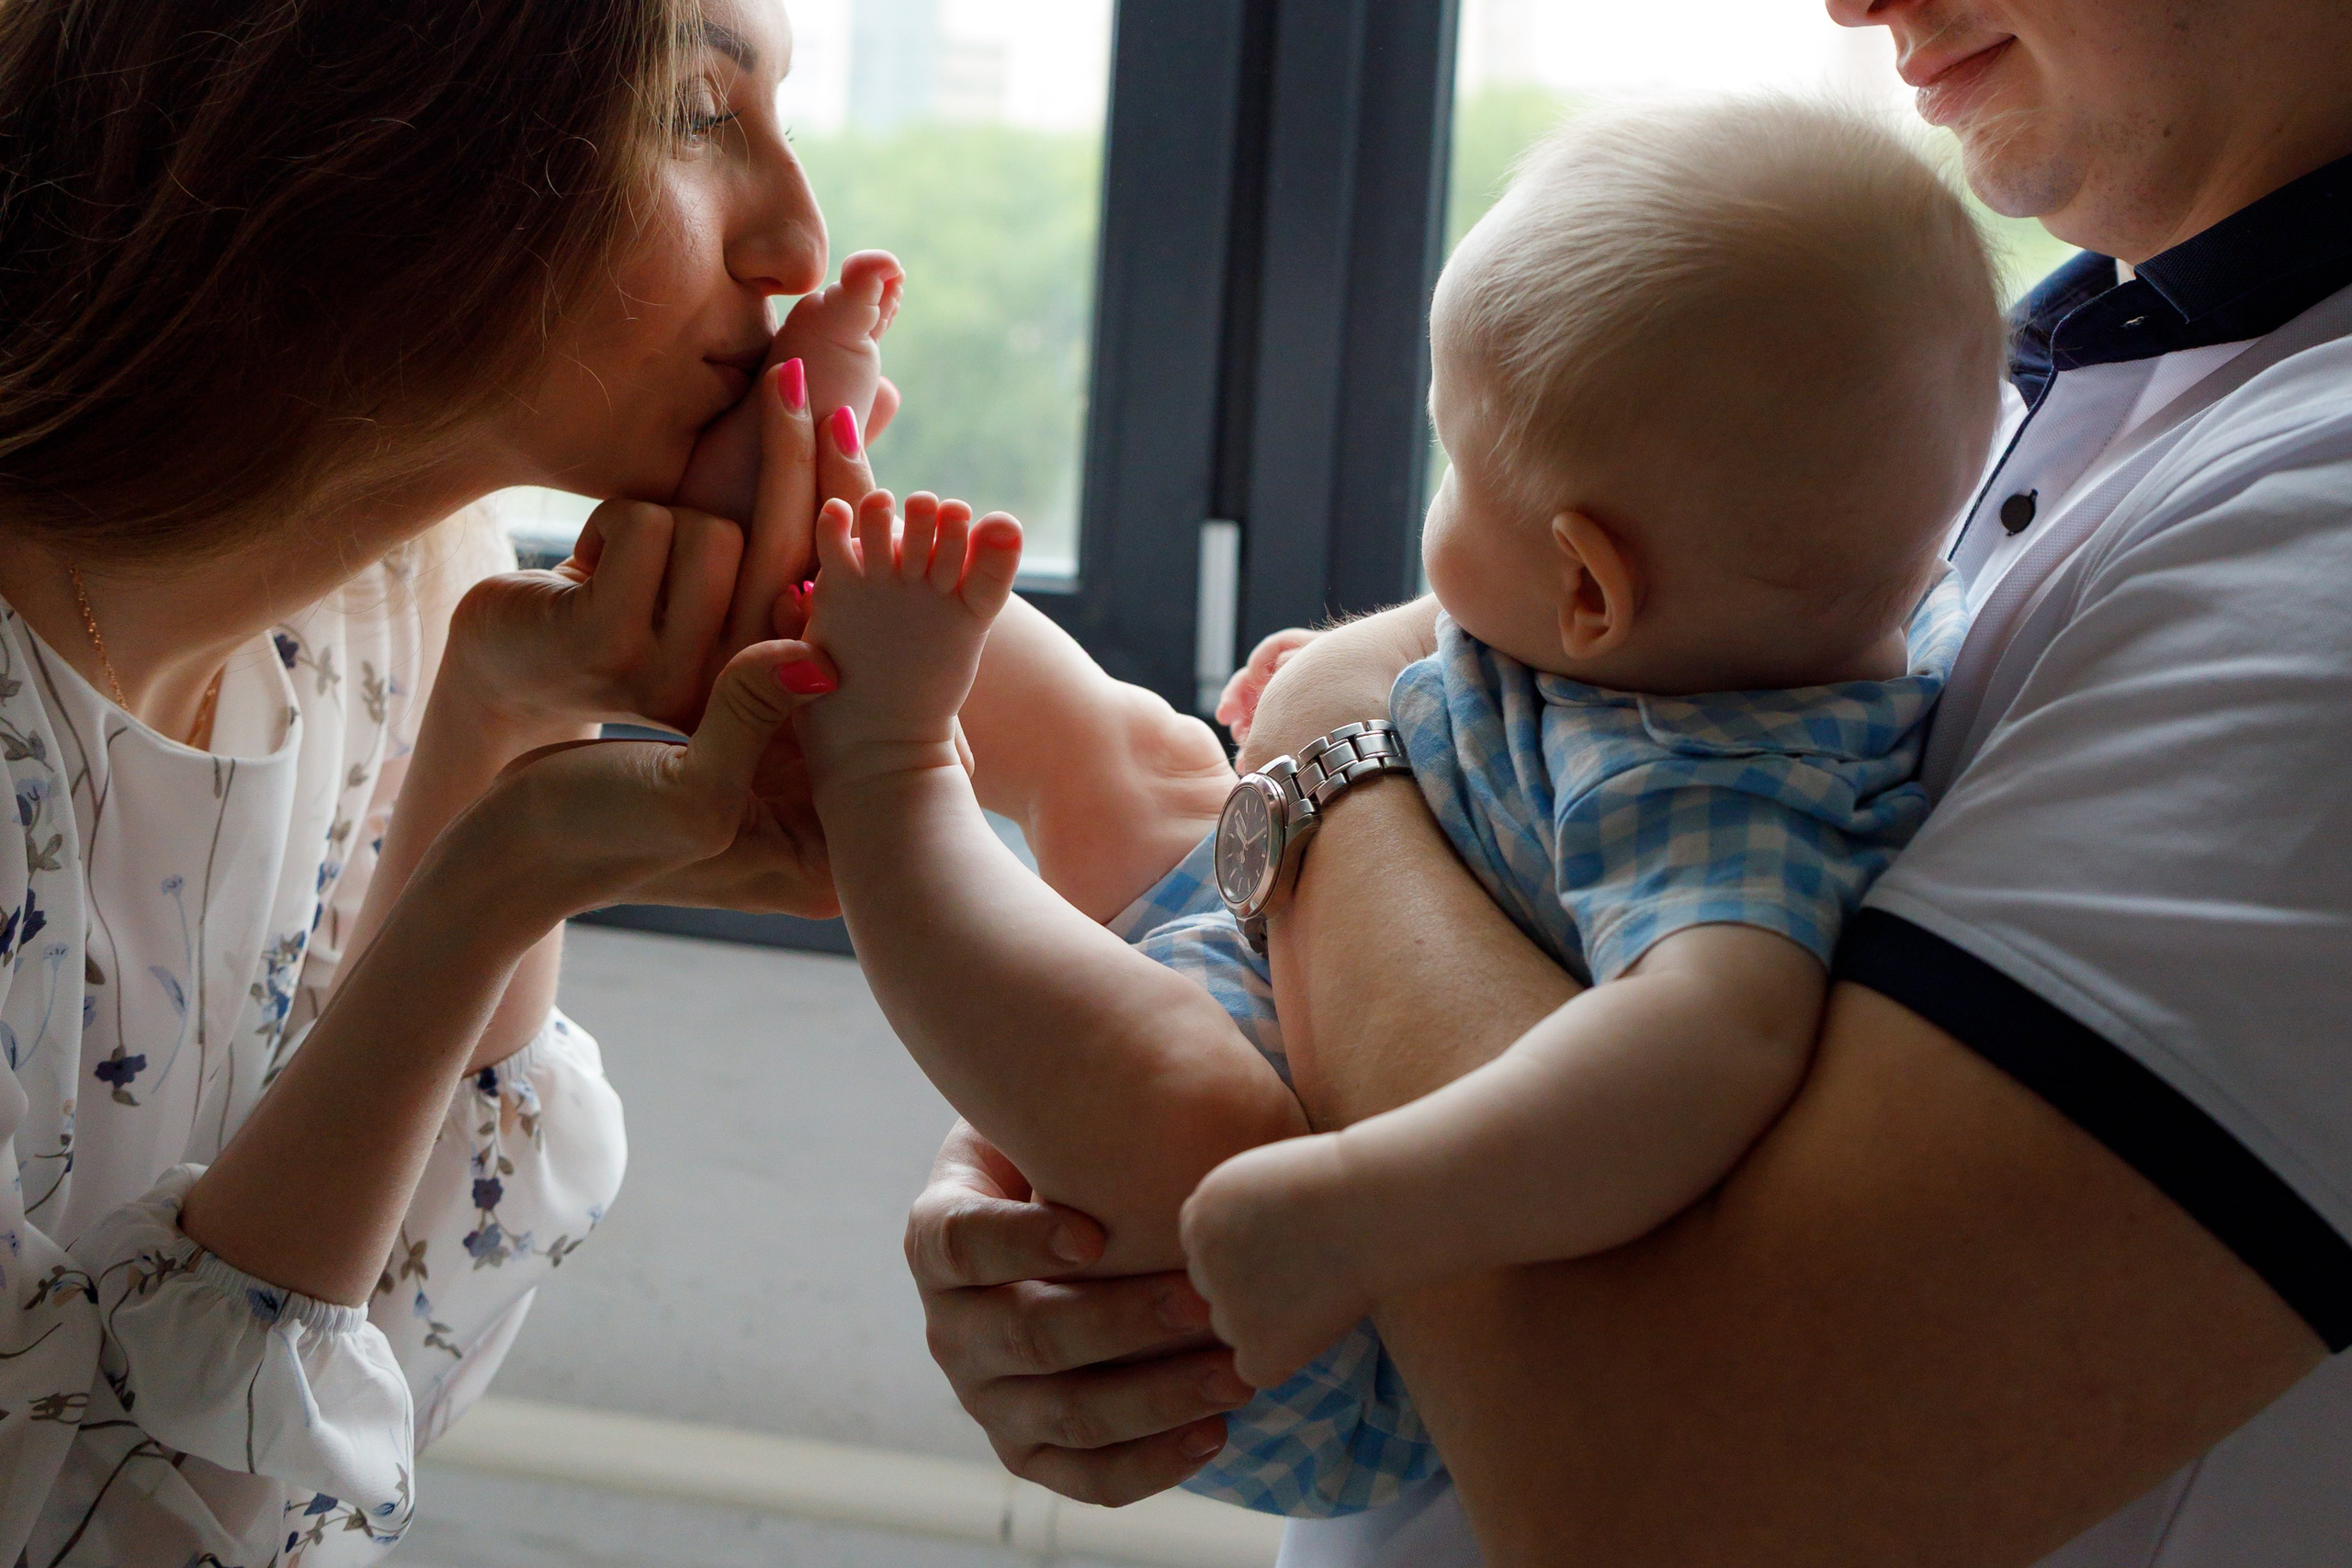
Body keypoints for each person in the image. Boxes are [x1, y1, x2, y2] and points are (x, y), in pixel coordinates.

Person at [903, 1, 2352, 1562]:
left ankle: (887, 784)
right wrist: (1100, 1114)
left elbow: (1674, 1500)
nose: (1853, 3)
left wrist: (1324, 751)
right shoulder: (1993, 364)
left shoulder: (2311, 528)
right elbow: (1605, 641)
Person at [797, 98, 1999, 1519]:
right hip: (1301, 997)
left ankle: (884, 773)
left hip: (1338, 1328)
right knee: (1114, 745)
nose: (1436, 508)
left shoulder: (1733, 796)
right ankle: (819, 508)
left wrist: (1359, 1209)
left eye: (1454, 468)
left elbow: (1698, 1054)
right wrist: (1390, 687)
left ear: (1590, 589)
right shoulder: (1713, 623)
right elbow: (1497, 690)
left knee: (1165, 1096)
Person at [0, 0, 958, 1559]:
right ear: (391, 107)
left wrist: (520, 708)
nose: (799, 242)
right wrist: (499, 877)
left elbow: (375, 1387)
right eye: (699, 118)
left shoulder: (401, 611)